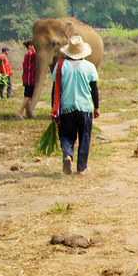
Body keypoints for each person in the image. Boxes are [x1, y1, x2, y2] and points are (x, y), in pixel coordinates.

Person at [50, 35, 100, 175]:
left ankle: (67, 154)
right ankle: (82, 168)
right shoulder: (90, 67)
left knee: (66, 135)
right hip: (85, 108)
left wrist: (53, 109)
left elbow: (55, 90)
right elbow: (94, 89)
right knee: (84, 137)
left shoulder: (60, 66)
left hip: (67, 108)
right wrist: (96, 107)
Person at [21, 40, 37, 113]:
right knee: (27, 97)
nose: (35, 47)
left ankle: (28, 112)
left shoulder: (29, 54)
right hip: (29, 80)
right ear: (30, 46)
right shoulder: (30, 54)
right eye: (33, 45)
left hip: (29, 79)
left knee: (29, 97)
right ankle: (19, 112)